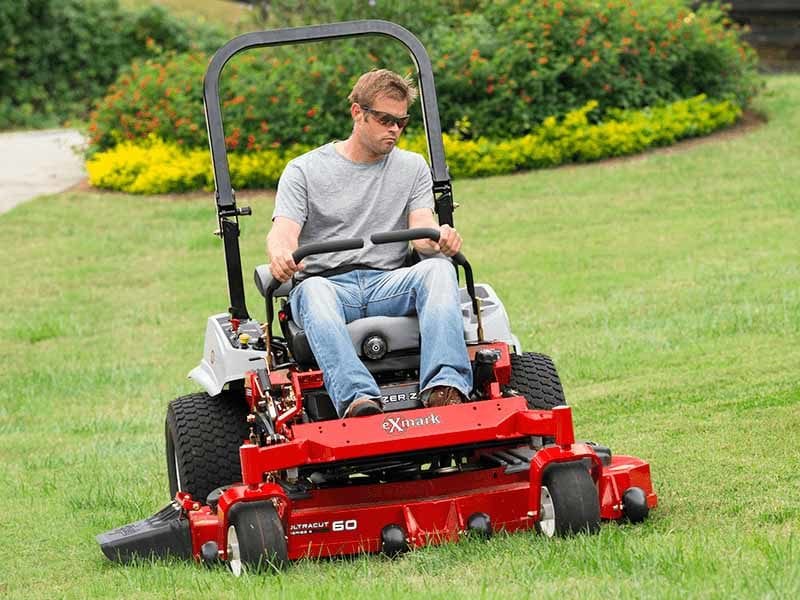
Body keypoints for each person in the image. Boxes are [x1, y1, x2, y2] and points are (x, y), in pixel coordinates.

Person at [267, 69, 472, 418]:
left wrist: (440, 238)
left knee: (439, 269)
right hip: (327, 285)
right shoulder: (304, 170)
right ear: (357, 113)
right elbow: (283, 232)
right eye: (384, 119)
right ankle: (358, 400)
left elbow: (422, 227)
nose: (394, 129)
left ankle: (445, 387)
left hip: (388, 282)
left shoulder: (412, 167)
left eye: (401, 122)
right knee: (312, 291)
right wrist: (281, 254)